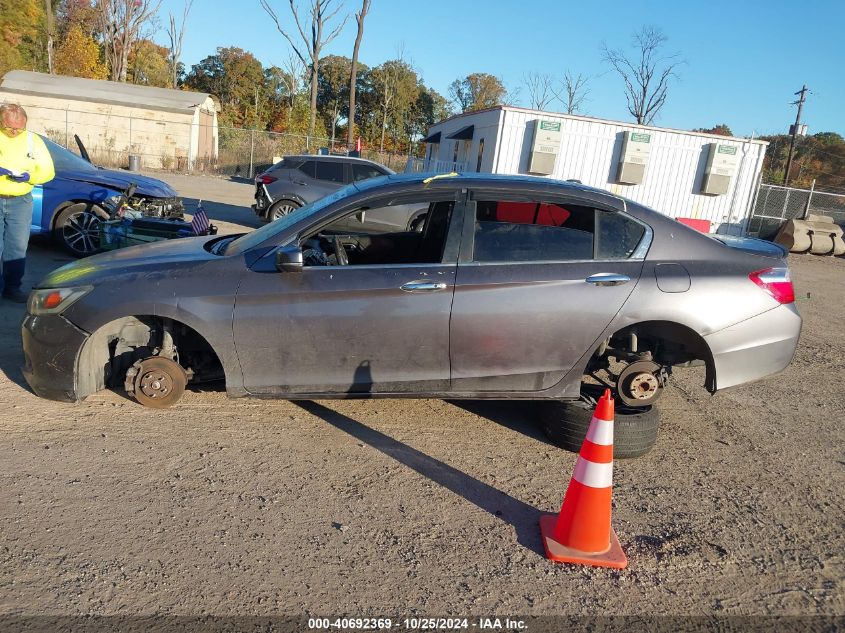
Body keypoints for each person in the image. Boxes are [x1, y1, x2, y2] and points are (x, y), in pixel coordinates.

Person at [0, 103, 55, 302]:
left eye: (19, 128)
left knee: (17, 246)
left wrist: (30, 176)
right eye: (9, 127)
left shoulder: (33, 141)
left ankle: (12, 287)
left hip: (20, 201)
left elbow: (49, 171)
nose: (14, 131)